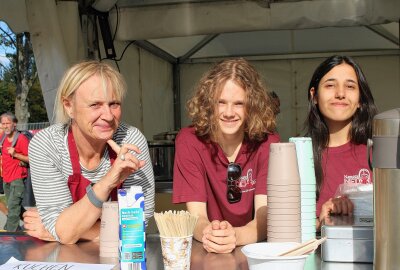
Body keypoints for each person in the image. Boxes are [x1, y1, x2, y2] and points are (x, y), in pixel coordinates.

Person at [22, 61, 155, 244]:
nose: (108, 116)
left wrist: (69, 229)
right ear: (69, 106)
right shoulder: (46, 144)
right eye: (95, 105)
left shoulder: (130, 140)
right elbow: (64, 232)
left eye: (114, 104)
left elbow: (137, 227)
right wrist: (108, 182)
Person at [173, 58, 280, 253]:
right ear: (208, 103)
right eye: (221, 102)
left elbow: (264, 218)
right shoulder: (189, 141)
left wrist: (235, 236)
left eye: (239, 104)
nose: (229, 112)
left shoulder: (268, 144)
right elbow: (196, 217)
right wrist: (210, 234)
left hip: (255, 251)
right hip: (207, 250)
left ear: (252, 106)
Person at [304, 55, 377, 230]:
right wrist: (320, 222)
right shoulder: (299, 155)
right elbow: (285, 224)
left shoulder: (379, 152)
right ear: (314, 96)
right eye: (330, 85)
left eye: (350, 86)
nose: (340, 94)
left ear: (360, 99)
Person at [0, 112, 30, 231]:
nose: (6, 126)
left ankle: (10, 233)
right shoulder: (3, 137)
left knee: (13, 207)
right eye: (3, 124)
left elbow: (31, 158)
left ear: (14, 124)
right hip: (6, 179)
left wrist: (16, 154)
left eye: (8, 123)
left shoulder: (21, 139)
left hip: (18, 179)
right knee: (16, 207)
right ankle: (33, 221)